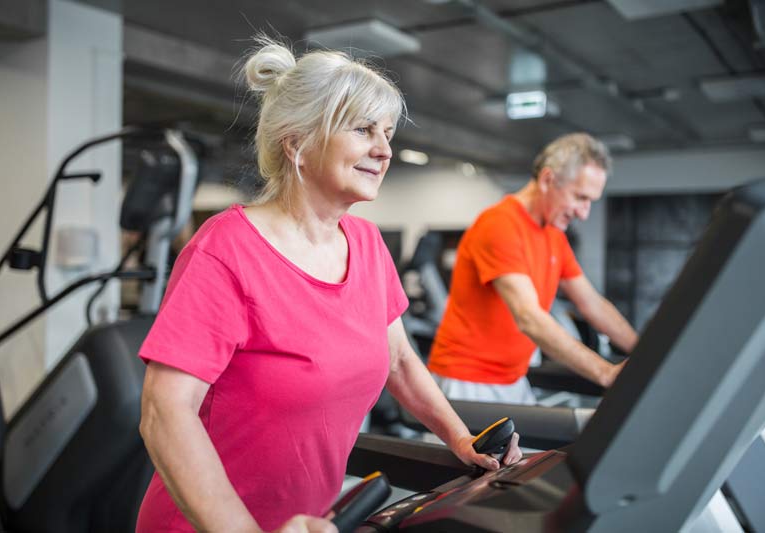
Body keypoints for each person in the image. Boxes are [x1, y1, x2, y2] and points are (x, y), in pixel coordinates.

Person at [135, 36, 521, 533]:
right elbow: (164, 411)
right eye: (364, 131)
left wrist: (461, 438)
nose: (384, 151)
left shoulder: (365, 243)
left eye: (386, 134)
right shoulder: (227, 249)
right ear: (296, 142)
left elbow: (400, 362)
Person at [427, 133, 638, 405]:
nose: (584, 213)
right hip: (468, 382)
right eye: (580, 198)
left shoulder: (554, 235)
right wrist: (606, 373)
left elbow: (593, 304)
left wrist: (644, 354)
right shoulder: (500, 224)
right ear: (548, 179)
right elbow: (528, 316)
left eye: (590, 201)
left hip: (514, 379)